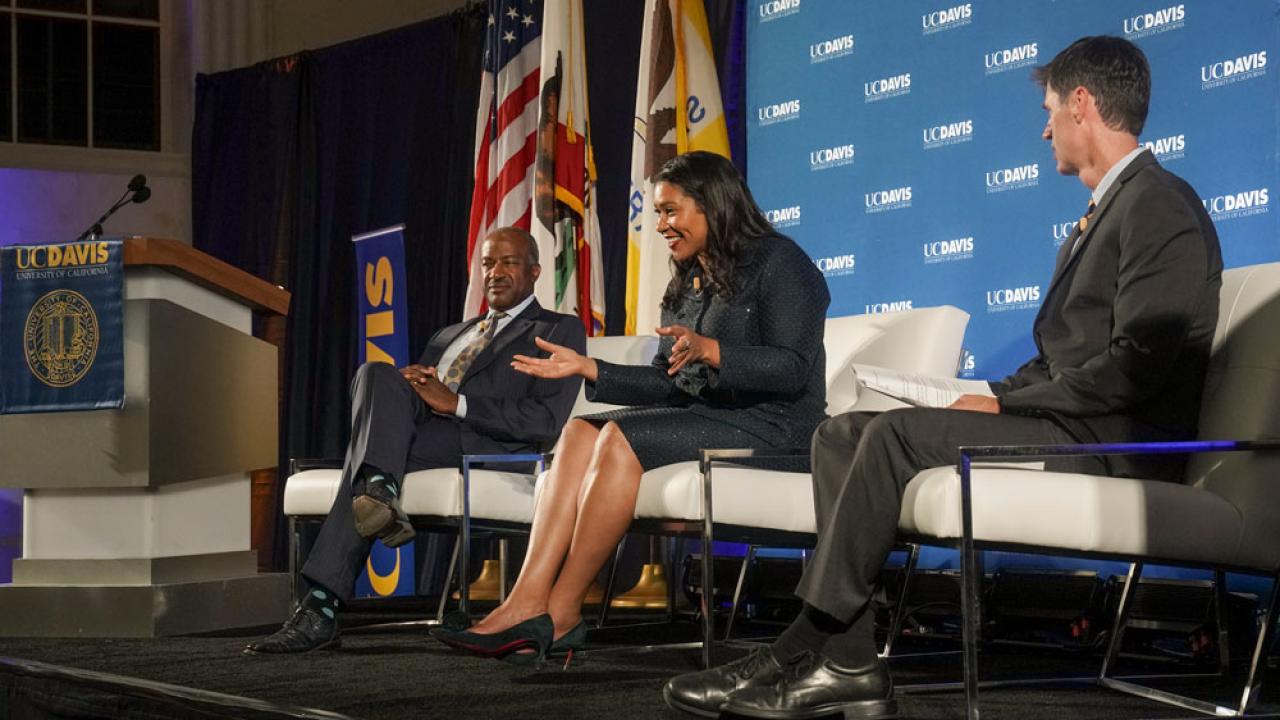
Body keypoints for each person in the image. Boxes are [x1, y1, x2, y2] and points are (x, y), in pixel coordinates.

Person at [664, 36, 1223, 719]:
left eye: (1050, 109)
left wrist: (1002, 406)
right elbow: (1063, 360)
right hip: (1069, 419)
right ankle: (852, 665)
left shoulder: (1157, 203)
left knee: (894, 438)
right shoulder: (1104, 213)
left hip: (1118, 443)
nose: (1045, 127)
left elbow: (1137, 363)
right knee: (841, 434)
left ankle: (802, 642)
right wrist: (993, 394)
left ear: (1083, 104)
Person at [432, 151, 831, 661]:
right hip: (710, 416)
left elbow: (793, 367)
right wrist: (589, 368)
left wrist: (713, 350)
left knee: (618, 439)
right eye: (658, 213)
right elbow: (670, 383)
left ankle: (564, 607)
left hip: (779, 428)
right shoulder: (688, 277)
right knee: (579, 431)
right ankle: (526, 599)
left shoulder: (781, 262)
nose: (660, 225)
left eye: (671, 211)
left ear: (712, 204)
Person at [246, 227, 587, 654]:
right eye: (487, 264)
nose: (494, 273)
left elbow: (545, 420)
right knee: (375, 373)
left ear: (534, 271)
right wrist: (410, 388)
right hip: (424, 437)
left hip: (484, 446)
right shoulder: (449, 334)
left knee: (370, 456)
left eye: (508, 262)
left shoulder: (558, 330)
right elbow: (414, 403)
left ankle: (323, 601)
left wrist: (456, 403)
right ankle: (379, 493)